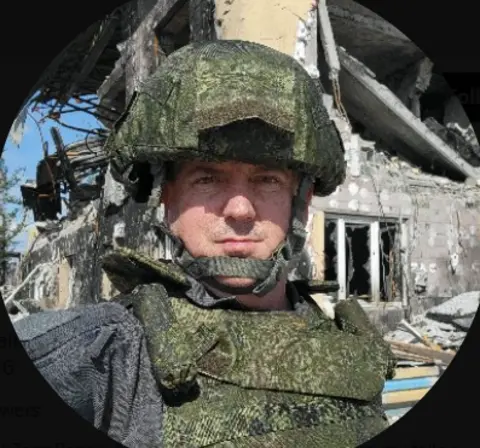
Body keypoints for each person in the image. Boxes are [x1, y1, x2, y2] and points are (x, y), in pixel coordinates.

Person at [13, 40, 395, 447]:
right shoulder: (111, 350)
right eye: (207, 179)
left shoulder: (349, 344)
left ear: (299, 203)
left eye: (267, 180)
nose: (240, 210)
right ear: (167, 198)